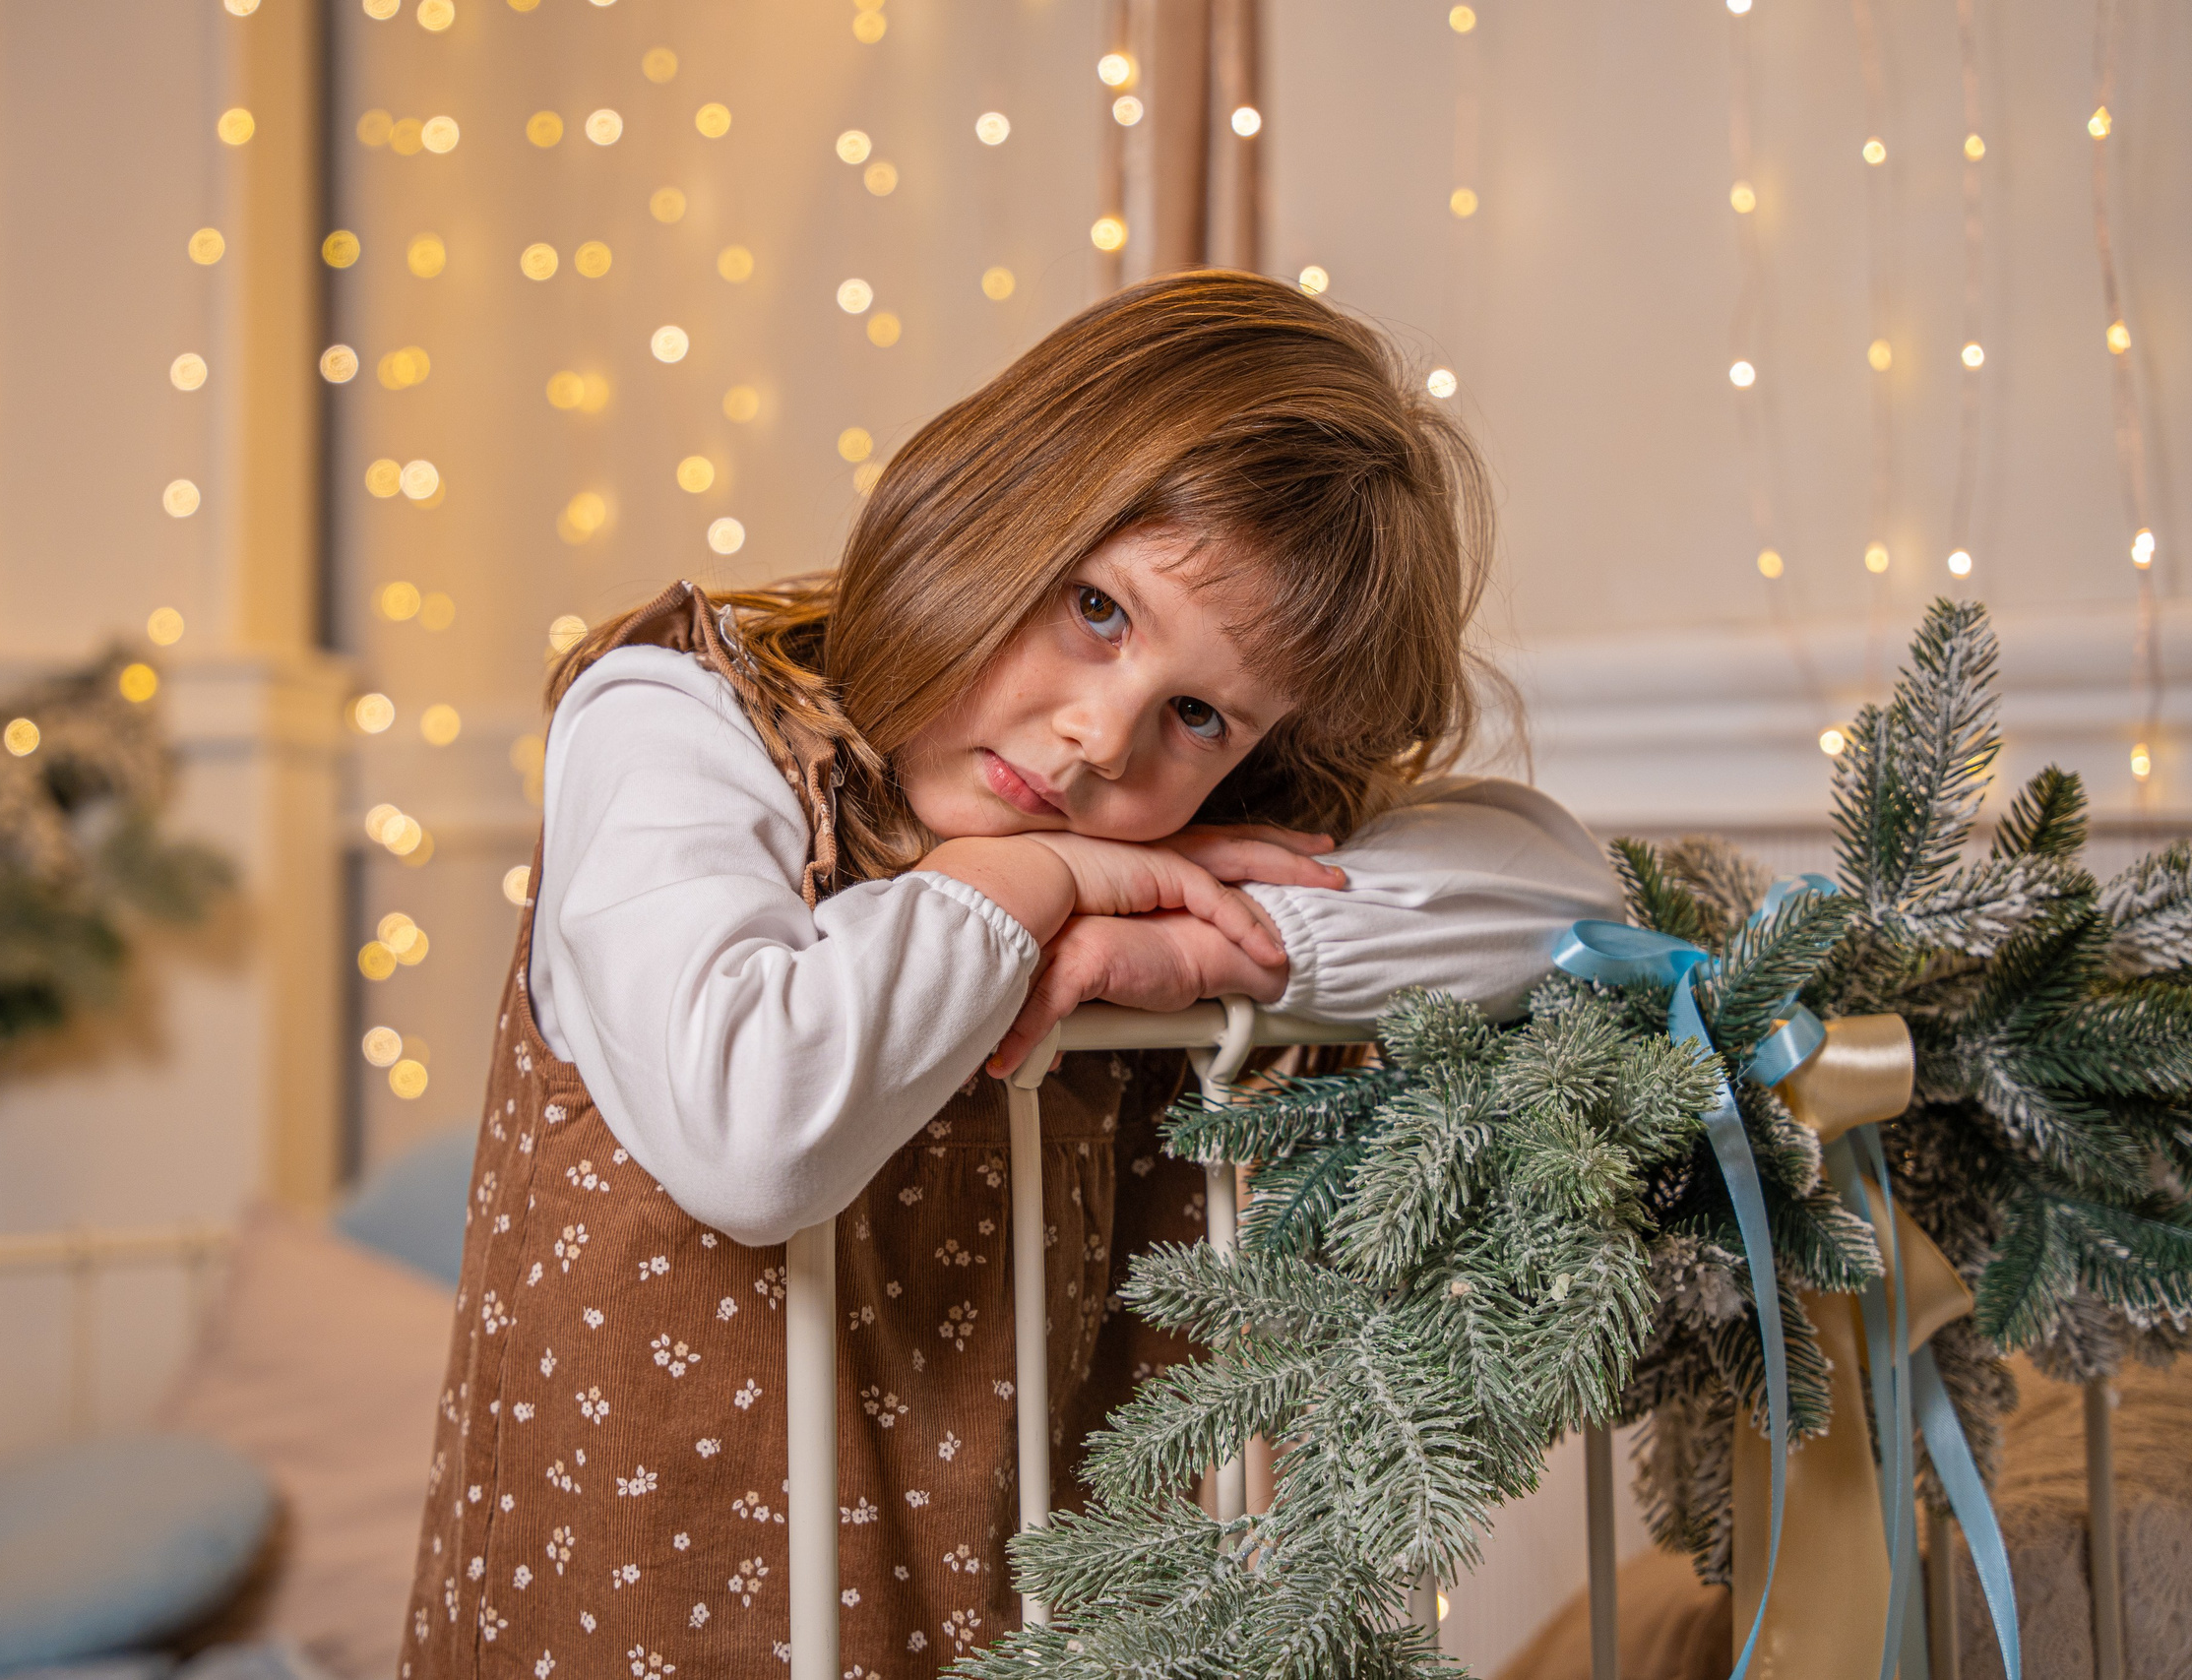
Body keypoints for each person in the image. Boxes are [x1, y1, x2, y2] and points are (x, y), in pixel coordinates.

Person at [399, 271, 1620, 1679]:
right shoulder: (678, 719)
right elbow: (750, 1135)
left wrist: (1179, 941)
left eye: (1201, 712)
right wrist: (1016, 887)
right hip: (669, 1625)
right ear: (995, 502)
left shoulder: (1166, 846)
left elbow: (1563, 891)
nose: (1104, 739)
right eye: (1098, 607)